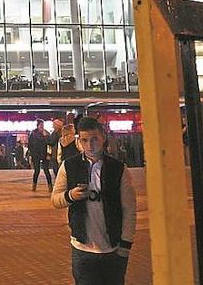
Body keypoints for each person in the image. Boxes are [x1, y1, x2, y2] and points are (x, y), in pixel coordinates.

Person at [52, 117, 137, 285]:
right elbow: (55, 199)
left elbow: (129, 209)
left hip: (113, 248)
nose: (90, 145)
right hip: (82, 248)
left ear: (103, 138)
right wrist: (70, 196)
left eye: (94, 139)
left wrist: (125, 245)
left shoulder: (118, 169)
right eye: (85, 140)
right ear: (79, 142)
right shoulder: (69, 166)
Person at [29, 121, 54, 191]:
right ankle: (34, 186)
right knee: (37, 171)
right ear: (37, 126)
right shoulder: (33, 134)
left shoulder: (46, 133)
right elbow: (30, 145)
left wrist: (49, 154)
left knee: (46, 170)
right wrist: (31, 154)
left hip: (45, 154)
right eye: (40, 125)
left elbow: (49, 144)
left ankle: (50, 187)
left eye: (42, 125)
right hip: (36, 155)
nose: (42, 126)